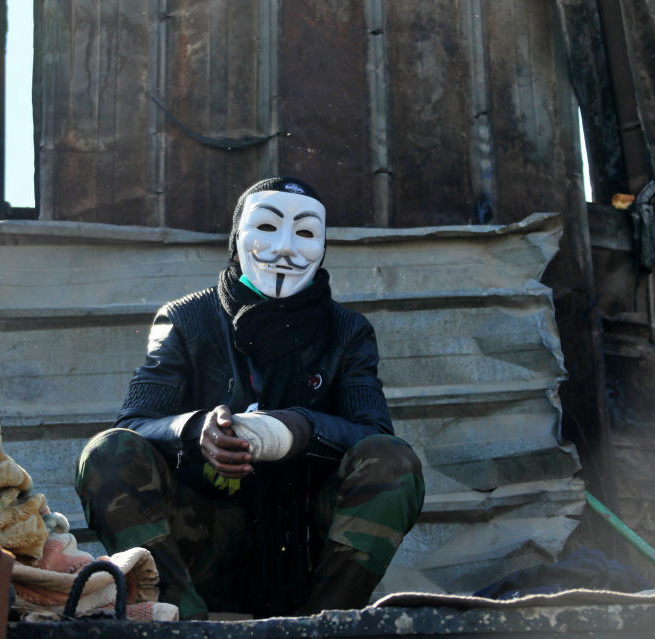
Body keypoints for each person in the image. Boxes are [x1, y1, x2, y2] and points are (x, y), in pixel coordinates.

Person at [75, 176, 424, 619]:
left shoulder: (349, 332)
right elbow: (134, 424)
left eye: (304, 233)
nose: (284, 248)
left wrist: (297, 430)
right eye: (267, 228)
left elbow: (376, 435)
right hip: (204, 542)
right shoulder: (184, 320)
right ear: (236, 237)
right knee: (105, 452)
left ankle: (326, 625)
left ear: (322, 247)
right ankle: (180, 621)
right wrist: (194, 430)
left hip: (306, 545)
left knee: (395, 461)